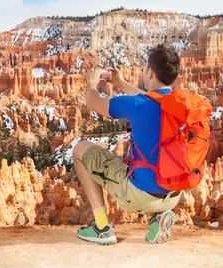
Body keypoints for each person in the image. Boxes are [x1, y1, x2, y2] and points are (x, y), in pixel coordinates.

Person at [73, 44, 182, 245]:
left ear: (149, 72)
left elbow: (93, 102)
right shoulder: (179, 103)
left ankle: (102, 228)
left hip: (141, 195)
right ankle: (156, 218)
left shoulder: (137, 105)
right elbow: (150, 100)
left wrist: (91, 83)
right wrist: (121, 83)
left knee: (80, 149)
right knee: (146, 163)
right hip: (173, 194)